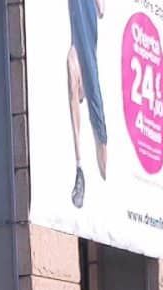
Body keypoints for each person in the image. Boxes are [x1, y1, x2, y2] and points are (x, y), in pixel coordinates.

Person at [67, 0, 107, 210]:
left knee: (96, 114)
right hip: (76, 39)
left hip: (88, 46)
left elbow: (101, 11)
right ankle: (79, 167)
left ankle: (99, 172)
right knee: (72, 71)